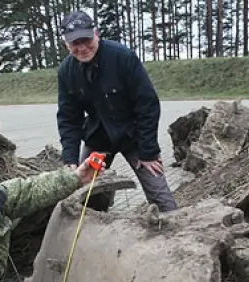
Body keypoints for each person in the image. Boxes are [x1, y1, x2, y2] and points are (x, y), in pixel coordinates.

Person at [56, 10, 177, 213]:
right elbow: (69, 117)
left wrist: (148, 151)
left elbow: (147, 105)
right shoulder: (66, 71)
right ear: (66, 44)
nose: (82, 48)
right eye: (75, 43)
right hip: (99, 139)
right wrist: (70, 159)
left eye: (86, 40)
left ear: (96, 33)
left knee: (160, 194)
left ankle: (176, 230)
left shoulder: (122, 57)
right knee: (87, 196)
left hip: (134, 136)